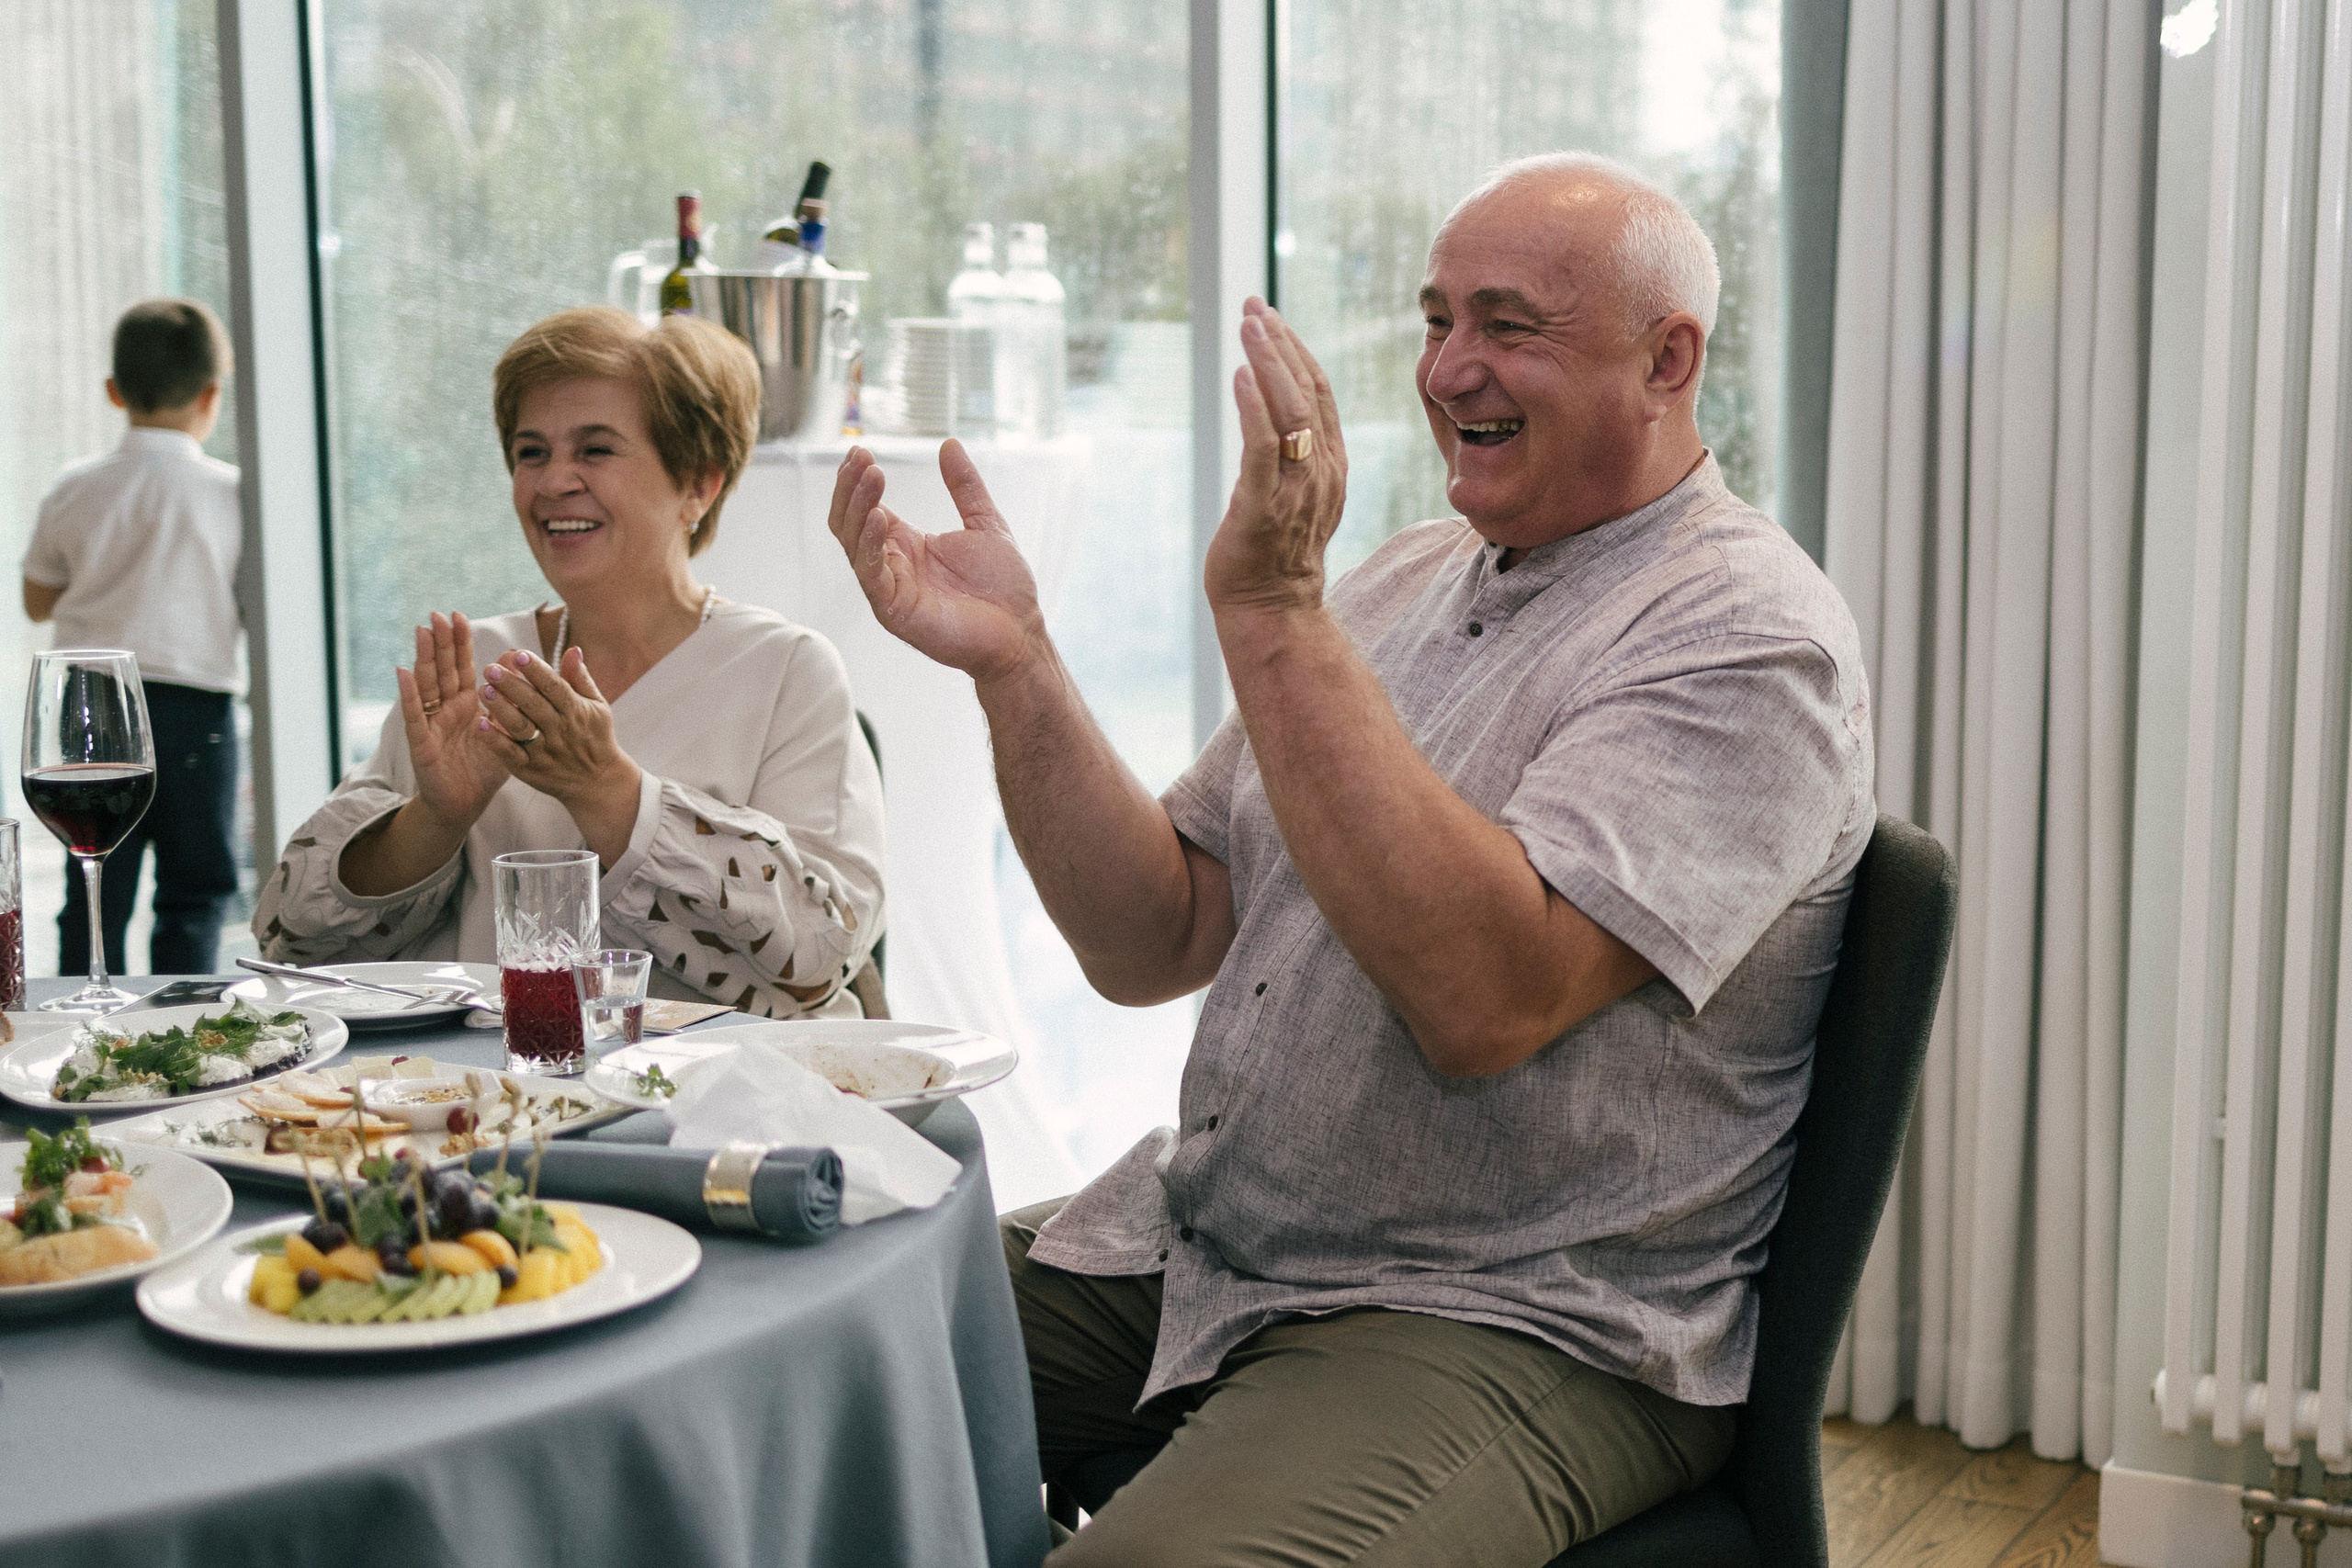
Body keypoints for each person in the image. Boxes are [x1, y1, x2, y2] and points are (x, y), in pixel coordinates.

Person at [829, 152, 1874, 1562]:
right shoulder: (1396, 579)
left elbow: (1484, 999)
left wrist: (1269, 607)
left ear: (1667, 357)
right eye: (1436, 318)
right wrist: (1017, 666)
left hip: (1512, 1310)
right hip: (1206, 1244)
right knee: (771, 1367)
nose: (1449, 369)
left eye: (1508, 325)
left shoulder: (1751, 635)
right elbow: (1155, 936)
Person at [255, 306, 884, 1018]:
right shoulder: (478, 664)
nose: (553, 482)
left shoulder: (787, 671)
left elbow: (825, 955)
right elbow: (290, 934)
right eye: (531, 452)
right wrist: (436, 817)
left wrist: (613, 794)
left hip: (711, 1110)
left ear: (699, 484)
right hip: (480, 1103)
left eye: (594, 450)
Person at [23, 299, 244, 976]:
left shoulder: (76, 486)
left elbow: (36, 601)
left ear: (114, 392)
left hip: (90, 701)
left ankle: (81, 1023)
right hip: (194, 708)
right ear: (212, 395)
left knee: (94, 884)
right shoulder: (231, 493)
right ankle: (185, 1024)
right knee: (194, 890)